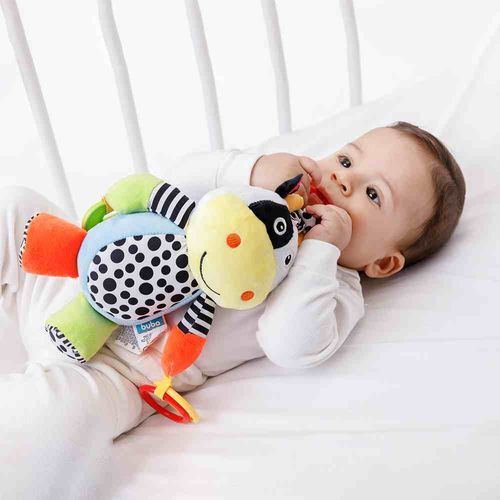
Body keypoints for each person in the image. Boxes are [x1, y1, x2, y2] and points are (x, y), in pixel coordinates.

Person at [0, 121, 465, 498]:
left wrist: (321, 251)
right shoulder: (256, 193)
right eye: (345, 160)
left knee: (60, 417)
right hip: (74, 281)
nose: (344, 178)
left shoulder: (335, 288)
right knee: (13, 206)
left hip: (118, 375)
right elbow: (174, 181)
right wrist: (253, 168)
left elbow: (289, 343)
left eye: (372, 194)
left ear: (382, 263)